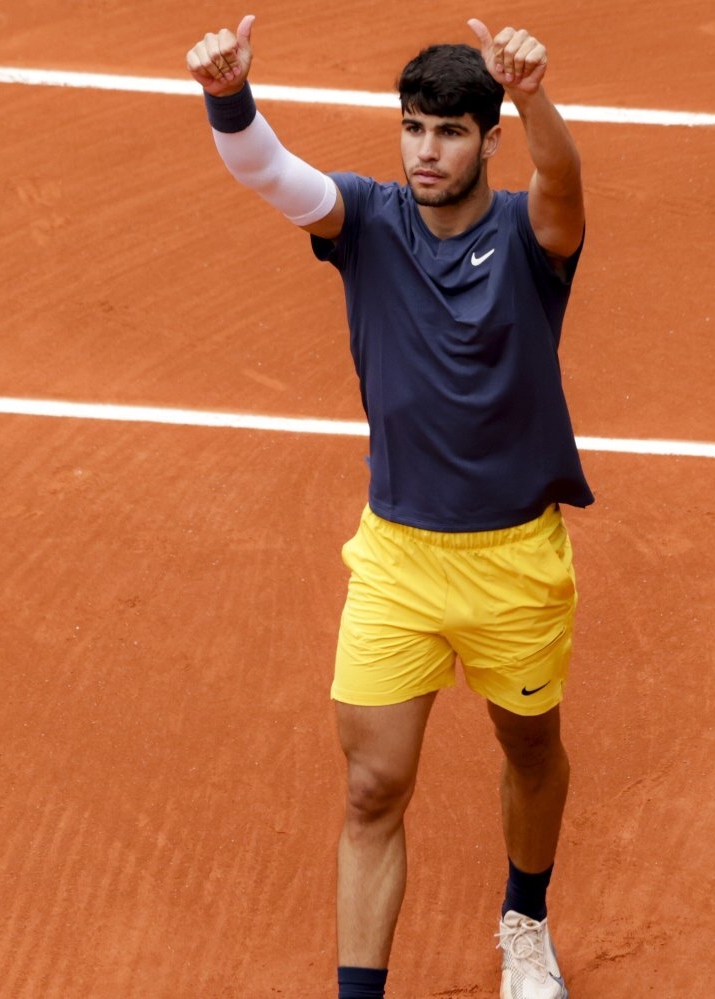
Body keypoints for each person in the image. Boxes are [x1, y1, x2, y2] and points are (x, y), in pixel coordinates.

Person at [187, 15, 590, 999]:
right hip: (398, 561)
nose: (425, 150)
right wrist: (228, 95)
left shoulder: (532, 238)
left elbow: (563, 185)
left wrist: (533, 97)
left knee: (529, 748)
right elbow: (267, 172)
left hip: (515, 564)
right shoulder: (363, 220)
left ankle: (524, 922)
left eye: (449, 131)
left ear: (487, 140)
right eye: (413, 127)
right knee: (372, 786)